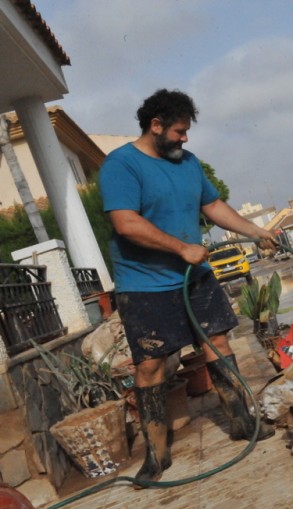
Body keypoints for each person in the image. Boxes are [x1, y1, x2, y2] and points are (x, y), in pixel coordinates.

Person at [99, 89, 278, 487]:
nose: (185, 139)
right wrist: (181, 247)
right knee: (150, 365)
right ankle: (157, 455)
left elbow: (213, 207)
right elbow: (126, 223)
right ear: (155, 125)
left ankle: (242, 423)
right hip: (144, 285)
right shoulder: (121, 166)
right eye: (179, 131)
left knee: (218, 344)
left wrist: (257, 232)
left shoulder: (189, 163)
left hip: (194, 278)